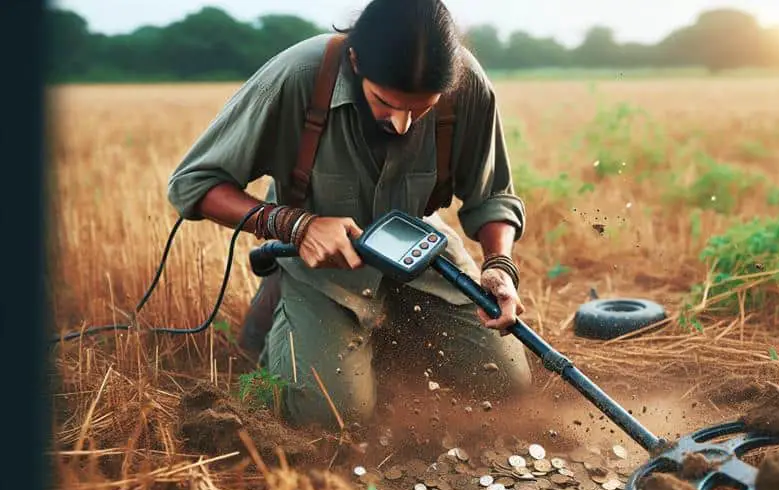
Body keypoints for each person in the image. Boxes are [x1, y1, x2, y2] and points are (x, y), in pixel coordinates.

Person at [166, 0, 533, 429]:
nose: (401, 126)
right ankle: (280, 309)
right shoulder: (299, 76)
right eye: (384, 101)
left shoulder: (465, 85)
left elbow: (493, 196)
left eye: (422, 110)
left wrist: (499, 266)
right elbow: (193, 182)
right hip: (316, 251)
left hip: (414, 245)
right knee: (332, 416)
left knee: (505, 383)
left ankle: (382, 335)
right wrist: (293, 226)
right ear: (355, 60)